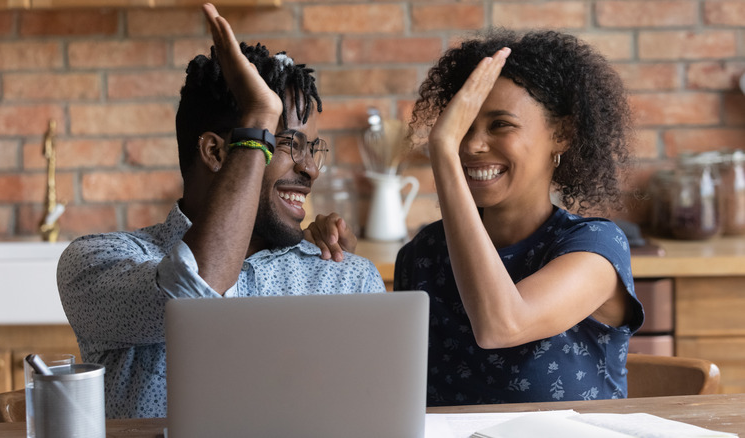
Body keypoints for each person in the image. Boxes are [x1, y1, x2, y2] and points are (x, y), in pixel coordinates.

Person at [57, 3, 385, 419]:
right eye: (286, 144)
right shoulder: (98, 263)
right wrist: (258, 119)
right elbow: (196, 289)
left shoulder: (345, 277)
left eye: (312, 148)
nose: (311, 169)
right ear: (216, 152)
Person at [393, 28, 645, 405]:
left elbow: (502, 325)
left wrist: (443, 148)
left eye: (500, 124)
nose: (473, 146)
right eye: (463, 128)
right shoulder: (424, 253)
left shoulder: (594, 249)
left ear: (561, 134)